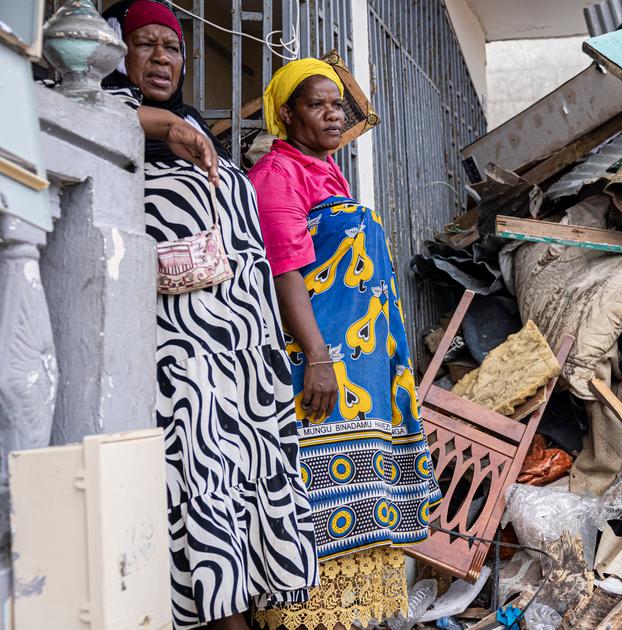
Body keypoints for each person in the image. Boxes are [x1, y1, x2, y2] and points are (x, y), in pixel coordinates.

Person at [99, 2, 318, 628]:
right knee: (198, 482)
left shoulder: (198, 130)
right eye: (145, 45)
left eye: (172, 48)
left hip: (244, 350)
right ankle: (223, 618)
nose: (162, 58)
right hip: (182, 349)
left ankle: (252, 607)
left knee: (252, 479)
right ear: (118, 52)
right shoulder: (109, 115)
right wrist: (163, 124)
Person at [249, 58, 442, 630]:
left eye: (338, 104)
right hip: (319, 368)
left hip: (363, 375)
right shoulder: (277, 175)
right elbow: (285, 270)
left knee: (362, 503)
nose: (333, 114)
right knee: (311, 500)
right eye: (317, 104)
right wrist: (319, 358)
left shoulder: (326, 171)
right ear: (286, 115)